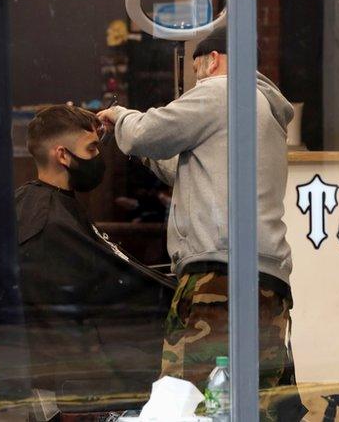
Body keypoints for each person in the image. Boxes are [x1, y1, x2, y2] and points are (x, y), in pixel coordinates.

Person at [98, 28, 306, 421]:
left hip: (219, 278)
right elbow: (188, 169)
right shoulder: (262, 109)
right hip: (267, 281)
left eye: (197, 71)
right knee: (258, 407)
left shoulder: (221, 91)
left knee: (190, 404)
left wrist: (120, 116)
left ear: (213, 60)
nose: (196, 82)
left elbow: (148, 132)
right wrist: (143, 155)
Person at [15, 105, 172, 401]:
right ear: (62, 155)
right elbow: (116, 283)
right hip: (74, 373)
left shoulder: (46, 207)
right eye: (91, 149)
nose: (98, 157)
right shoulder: (50, 222)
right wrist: (177, 297)